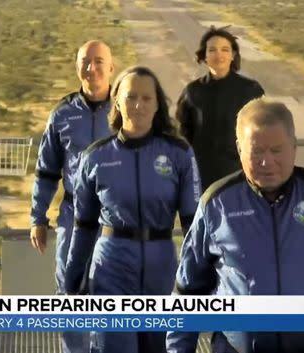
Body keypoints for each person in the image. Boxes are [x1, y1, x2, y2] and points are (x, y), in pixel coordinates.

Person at [166, 98, 304, 353]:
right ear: (239, 149)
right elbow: (188, 291)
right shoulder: (217, 204)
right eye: (256, 151)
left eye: (276, 150)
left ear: (294, 147)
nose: (267, 162)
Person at [64, 66, 201, 353]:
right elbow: (84, 226)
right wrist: (72, 281)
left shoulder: (179, 154)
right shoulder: (96, 157)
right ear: (117, 102)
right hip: (111, 269)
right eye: (130, 97)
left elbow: (194, 228)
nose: (138, 105)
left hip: (162, 268)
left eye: (146, 98)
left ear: (158, 105)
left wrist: (200, 280)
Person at [29, 39, 115, 353]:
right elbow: (47, 169)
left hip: (116, 224)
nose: (91, 68)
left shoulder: (127, 110)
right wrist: (38, 217)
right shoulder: (63, 114)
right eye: (85, 61)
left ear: (111, 67)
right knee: (70, 297)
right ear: (77, 66)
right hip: (73, 218)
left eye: (98, 61)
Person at [176, 26, 265, 191]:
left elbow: (264, 132)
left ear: (233, 55)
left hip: (241, 176)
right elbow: (183, 134)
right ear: (204, 56)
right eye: (212, 50)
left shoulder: (251, 90)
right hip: (201, 177)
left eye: (225, 49)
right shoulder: (192, 92)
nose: (219, 55)